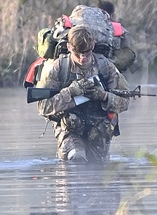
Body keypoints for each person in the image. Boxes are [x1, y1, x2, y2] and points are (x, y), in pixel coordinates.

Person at [36, 25, 131, 162]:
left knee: (99, 166)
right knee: (76, 157)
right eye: (78, 53)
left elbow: (124, 103)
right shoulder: (59, 67)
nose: (83, 58)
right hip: (69, 130)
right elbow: (43, 107)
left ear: (93, 45)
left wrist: (104, 96)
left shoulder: (106, 67)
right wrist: (69, 92)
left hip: (99, 131)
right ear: (69, 47)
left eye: (86, 53)